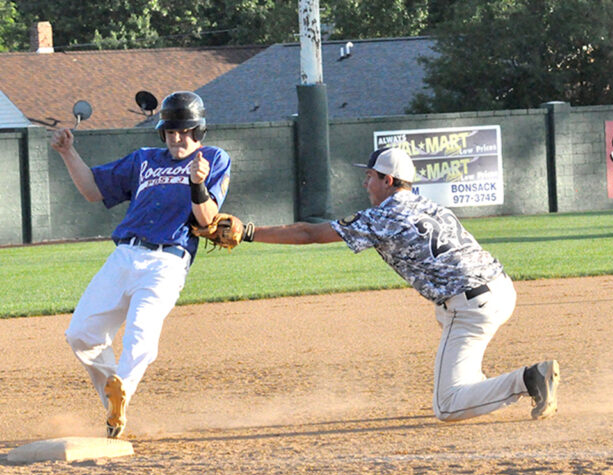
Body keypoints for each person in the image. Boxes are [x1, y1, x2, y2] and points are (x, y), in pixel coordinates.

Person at [244, 147, 559, 422]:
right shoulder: (428, 205)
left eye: (370, 176)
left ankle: (528, 380)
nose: (365, 183)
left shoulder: (382, 218)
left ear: (388, 181)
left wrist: (248, 232)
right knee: (444, 316)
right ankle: (478, 384)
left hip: (470, 305)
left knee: (447, 406)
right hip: (500, 287)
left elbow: (308, 234)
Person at [50, 91, 231, 438]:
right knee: (81, 333)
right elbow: (92, 190)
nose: (177, 138)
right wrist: (67, 152)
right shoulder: (144, 159)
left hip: (168, 260)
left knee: (140, 335)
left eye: (185, 131)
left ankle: (123, 389)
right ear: (162, 133)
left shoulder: (213, 159)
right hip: (125, 255)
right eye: (171, 131)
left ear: (199, 132)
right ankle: (113, 401)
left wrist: (197, 183)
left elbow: (207, 219)